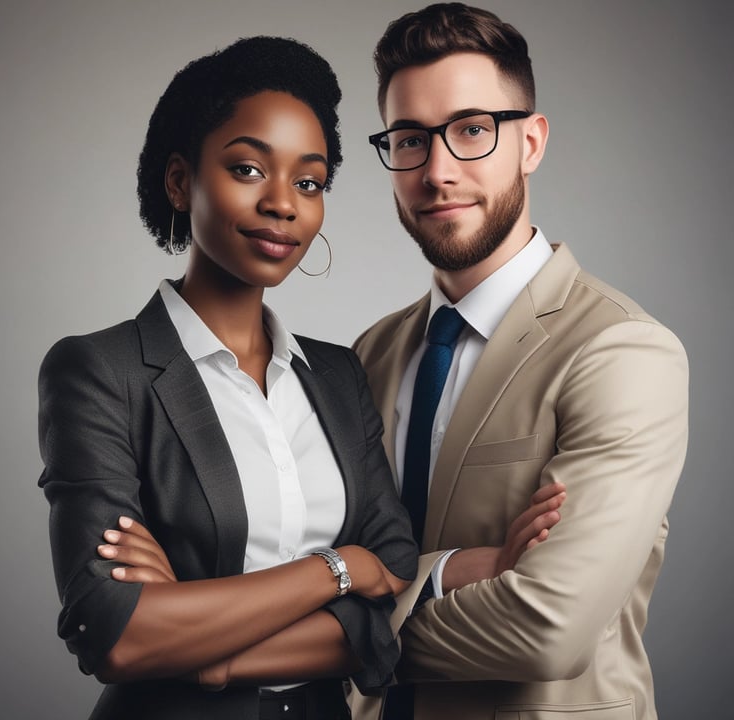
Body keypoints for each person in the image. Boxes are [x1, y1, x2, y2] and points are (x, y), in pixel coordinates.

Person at [37, 35, 565, 720]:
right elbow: (113, 632)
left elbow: (394, 583)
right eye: (249, 170)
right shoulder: (100, 371)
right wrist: (337, 569)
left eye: (309, 182)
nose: (283, 203)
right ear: (179, 180)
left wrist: (205, 643)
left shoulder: (338, 373)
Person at [350, 4, 689, 720]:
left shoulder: (620, 351)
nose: (438, 172)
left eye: (472, 130)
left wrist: (333, 637)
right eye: (411, 139)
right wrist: (447, 573)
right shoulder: (368, 356)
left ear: (530, 143)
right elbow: (303, 563)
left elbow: (545, 629)